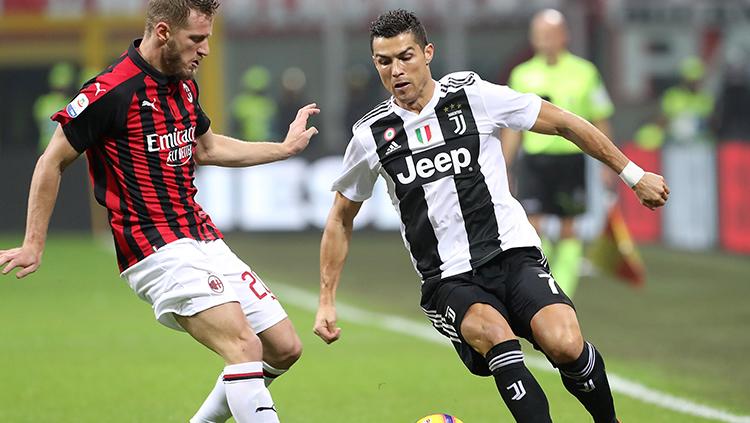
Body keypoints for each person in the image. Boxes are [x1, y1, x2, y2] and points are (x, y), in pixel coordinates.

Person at [313, 9, 668, 423]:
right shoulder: (370, 135)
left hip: (513, 253)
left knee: (566, 343)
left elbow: (565, 123)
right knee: (498, 338)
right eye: (384, 61)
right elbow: (341, 217)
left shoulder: (472, 95)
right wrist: (325, 300)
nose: (397, 70)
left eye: (406, 56)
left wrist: (633, 173)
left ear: (428, 53)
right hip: (449, 279)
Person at [0, 1, 320, 422]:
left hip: (201, 235)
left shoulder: (184, 83)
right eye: (197, 39)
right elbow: (52, 160)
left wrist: (282, 148)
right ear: (164, 32)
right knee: (243, 346)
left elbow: (207, 147)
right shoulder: (110, 91)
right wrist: (33, 242)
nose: (205, 49)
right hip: (153, 247)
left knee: (284, 347)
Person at [501, 9, 615, 298]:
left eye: (549, 35)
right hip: (535, 161)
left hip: (570, 159)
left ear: (564, 35)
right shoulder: (522, 74)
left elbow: (600, 116)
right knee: (533, 224)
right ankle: (541, 283)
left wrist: (607, 163)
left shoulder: (585, 72)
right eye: (538, 35)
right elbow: (513, 127)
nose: (544, 41)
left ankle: (565, 288)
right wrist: (505, 164)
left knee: (568, 227)